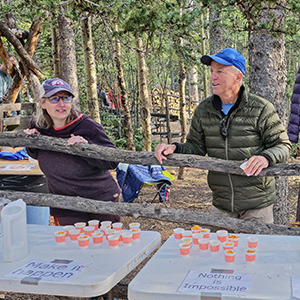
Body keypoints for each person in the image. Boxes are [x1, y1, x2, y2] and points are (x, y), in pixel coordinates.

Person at [155, 48, 291, 224]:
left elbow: (283, 146)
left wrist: (266, 157)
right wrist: (175, 147)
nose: (213, 77)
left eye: (220, 71)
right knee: (219, 251)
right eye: (212, 71)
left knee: (256, 251)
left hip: (257, 206)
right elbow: (196, 147)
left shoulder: (261, 108)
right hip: (221, 204)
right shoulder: (203, 110)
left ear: (238, 77)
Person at [24, 78, 121, 226]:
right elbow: (36, 154)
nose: (61, 104)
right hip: (65, 203)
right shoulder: (39, 125)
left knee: (105, 246)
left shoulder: (87, 126)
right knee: (72, 247)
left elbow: (112, 161)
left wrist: (87, 149)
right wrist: (32, 142)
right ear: (42, 103)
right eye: (54, 99)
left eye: (66, 98)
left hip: (100, 199)